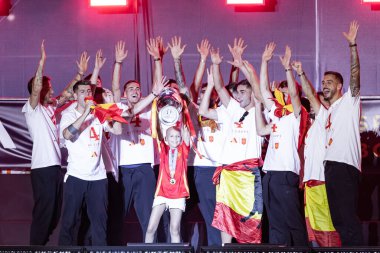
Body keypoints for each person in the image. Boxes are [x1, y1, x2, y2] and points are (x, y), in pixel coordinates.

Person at [22, 40, 89, 245]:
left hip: (55, 168)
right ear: (39, 90)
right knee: (44, 211)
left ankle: (41, 243)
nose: (52, 91)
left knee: (54, 213)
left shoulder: (50, 109)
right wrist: (42, 61)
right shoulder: (32, 109)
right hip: (42, 167)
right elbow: (37, 89)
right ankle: (34, 248)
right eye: (48, 88)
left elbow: (67, 94)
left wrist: (79, 75)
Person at [206, 44, 263, 244]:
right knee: (225, 217)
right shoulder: (232, 109)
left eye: (241, 92)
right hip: (227, 172)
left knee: (249, 222)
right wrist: (215, 65)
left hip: (247, 174)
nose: (237, 95)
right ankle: (225, 249)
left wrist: (245, 66)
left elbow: (258, 91)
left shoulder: (258, 112)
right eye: (236, 92)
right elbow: (220, 88)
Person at [110, 40, 166, 241]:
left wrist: (157, 59)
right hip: (124, 169)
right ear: (125, 94)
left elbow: (157, 88)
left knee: (148, 216)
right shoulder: (120, 109)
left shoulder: (149, 108)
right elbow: (115, 87)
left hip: (144, 168)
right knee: (118, 215)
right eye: (131, 88)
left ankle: (151, 247)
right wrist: (118, 64)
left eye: (137, 88)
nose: (135, 90)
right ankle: (113, 247)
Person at [255, 43, 308, 246]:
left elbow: (295, 95)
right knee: (276, 224)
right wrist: (264, 62)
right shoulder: (276, 114)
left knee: (293, 222)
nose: (282, 93)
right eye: (281, 91)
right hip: (270, 174)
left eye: (286, 90)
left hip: (287, 173)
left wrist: (287, 69)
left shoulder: (297, 115)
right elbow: (263, 90)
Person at [58, 80, 122, 246]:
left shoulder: (99, 113)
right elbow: (67, 135)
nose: (87, 94)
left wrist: (110, 107)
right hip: (76, 176)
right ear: (74, 95)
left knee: (100, 223)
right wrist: (86, 113)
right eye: (82, 91)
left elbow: (117, 130)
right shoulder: (69, 114)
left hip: (98, 177)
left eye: (89, 91)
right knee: (70, 222)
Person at [318, 21, 363, 246]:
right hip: (331, 167)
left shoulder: (349, 101)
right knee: (338, 222)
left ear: (339, 86)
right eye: (323, 82)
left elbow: (355, 77)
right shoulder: (329, 111)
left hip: (345, 166)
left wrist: (352, 46)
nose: (325, 85)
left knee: (347, 219)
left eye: (330, 82)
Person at [291, 60, 340, 247]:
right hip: (309, 185)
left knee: (326, 229)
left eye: (316, 103)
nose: (312, 105)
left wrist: (301, 73)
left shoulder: (325, 117)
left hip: (321, 182)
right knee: (312, 231)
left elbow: (310, 95)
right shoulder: (310, 127)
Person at [145, 126, 191, 243]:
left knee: (175, 229)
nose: (175, 139)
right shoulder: (163, 149)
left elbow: (186, 136)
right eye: (171, 136)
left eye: (177, 136)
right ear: (166, 138)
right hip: (162, 193)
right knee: (150, 229)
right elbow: (158, 132)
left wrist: (186, 131)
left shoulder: (184, 150)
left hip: (178, 194)